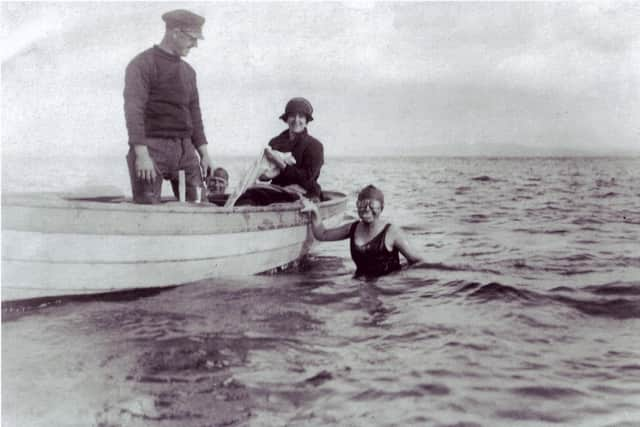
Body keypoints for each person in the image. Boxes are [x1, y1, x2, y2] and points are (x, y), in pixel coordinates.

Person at [124, 9, 213, 204]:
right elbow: (134, 111)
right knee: (147, 212)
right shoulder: (141, 65)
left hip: (186, 151)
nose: (195, 45)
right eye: (192, 38)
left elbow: (195, 115)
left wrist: (204, 154)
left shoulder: (189, 72)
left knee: (201, 207)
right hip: (151, 149)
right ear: (175, 32)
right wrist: (141, 155)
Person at [303, 185, 424, 277]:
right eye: (362, 205)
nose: (367, 209)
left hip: (387, 289)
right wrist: (315, 212)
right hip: (361, 283)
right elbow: (322, 234)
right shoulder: (353, 228)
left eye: (372, 206)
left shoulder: (392, 232)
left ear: (381, 208)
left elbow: (418, 261)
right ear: (357, 206)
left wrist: (399, 280)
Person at [261, 97, 324, 201]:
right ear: (286, 119)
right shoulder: (274, 142)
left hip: (305, 192)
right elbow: (267, 173)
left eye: (301, 116)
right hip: (276, 191)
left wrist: (280, 163)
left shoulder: (315, 145)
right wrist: (262, 175)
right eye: (292, 115)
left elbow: (307, 178)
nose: (296, 120)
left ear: (306, 120)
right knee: (248, 196)